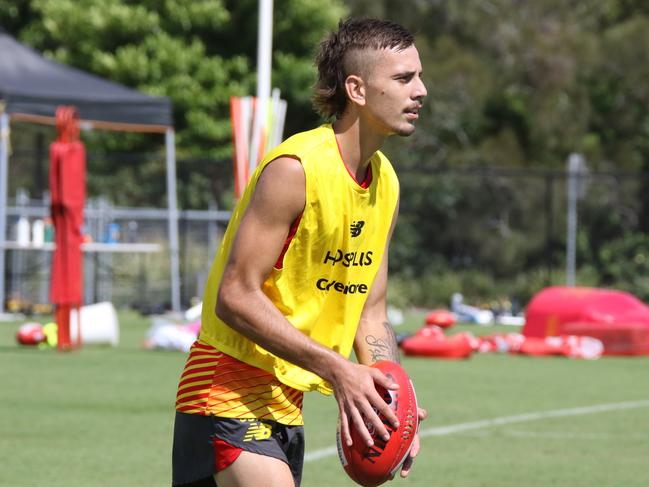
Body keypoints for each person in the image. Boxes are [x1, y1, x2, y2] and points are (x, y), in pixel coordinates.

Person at [172, 17, 428, 487]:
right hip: (225, 388)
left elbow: (370, 314)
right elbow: (235, 295)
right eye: (403, 78)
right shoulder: (296, 169)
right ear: (357, 89)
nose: (421, 90)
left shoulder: (386, 183)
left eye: (418, 76)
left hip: (289, 403)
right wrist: (338, 371)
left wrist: (394, 406)